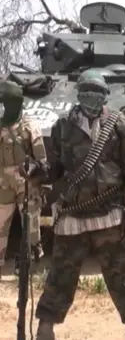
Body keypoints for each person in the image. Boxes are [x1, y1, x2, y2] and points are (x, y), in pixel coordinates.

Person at [35, 70, 125, 340]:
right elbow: (54, 168)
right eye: (86, 90)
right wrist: (39, 172)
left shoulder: (118, 124)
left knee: (122, 274)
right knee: (61, 275)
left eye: (97, 92)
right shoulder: (63, 125)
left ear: (105, 95)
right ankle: (46, 326)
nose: (91, 96)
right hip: (73, 213)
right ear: (78, 93)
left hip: (110, 213)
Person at [0, 80, 48, 279]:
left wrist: (38, 182)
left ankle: (32, 264)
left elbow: (42, 162)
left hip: (26, 183)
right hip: (3, 184)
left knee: (31, 225)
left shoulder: (29, 127)